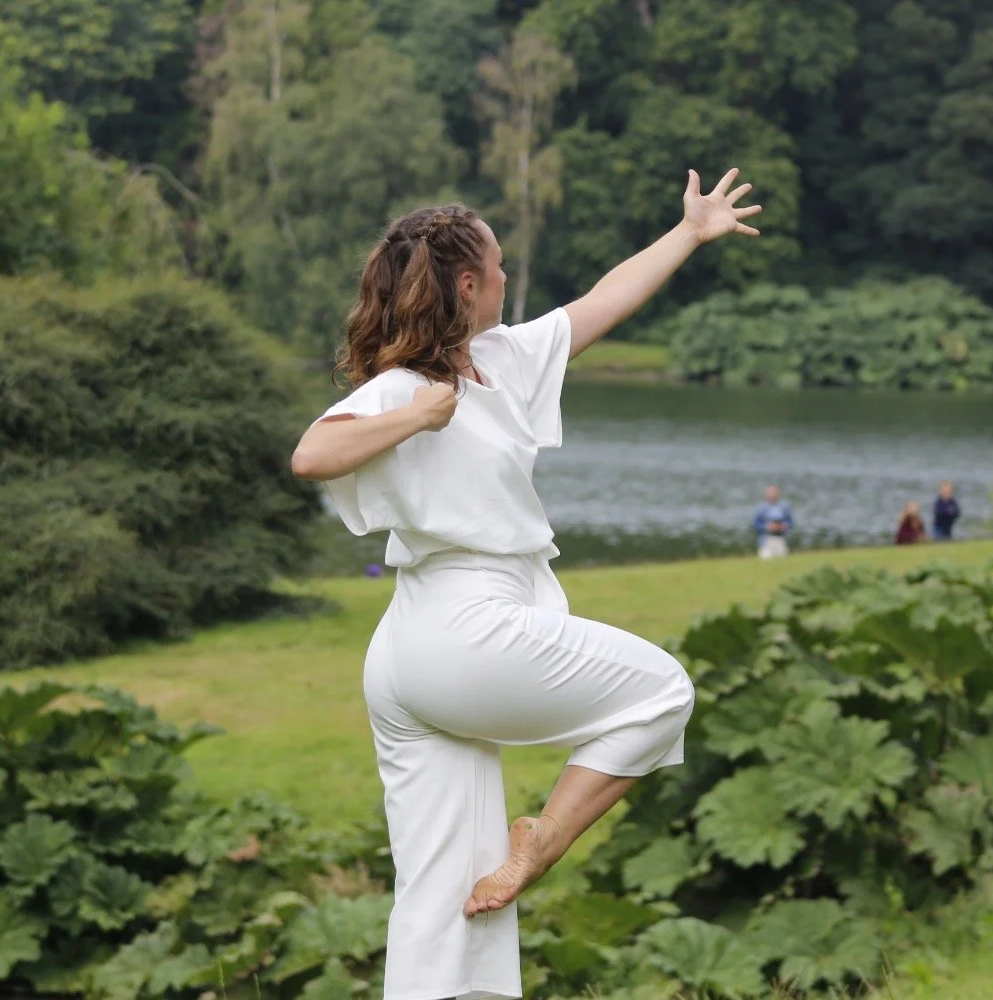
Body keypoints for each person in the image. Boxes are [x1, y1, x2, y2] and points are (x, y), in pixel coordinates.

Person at [290, 169, 762, 1000]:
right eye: (499, 266)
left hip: (415, 651)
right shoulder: (404, 387)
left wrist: (689, 233)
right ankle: (542, 841)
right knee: (661, 694)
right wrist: (417, 415)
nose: (509, 277)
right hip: (462, 629)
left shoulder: (503, 359)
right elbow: (312, 455)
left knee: (445, 893)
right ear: (468, 285)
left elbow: (605, 301)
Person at [752, 484, 794, 559]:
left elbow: (791, 523)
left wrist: (783, 526)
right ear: (767, 494)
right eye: (771, 492)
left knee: (783, 557)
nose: (773, 495)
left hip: (781, 539)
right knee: (766, 557)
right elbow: (755, 525)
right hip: (766, 539)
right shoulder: (761, 508)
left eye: (774, 492)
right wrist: (767, 527)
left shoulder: (784, 506)